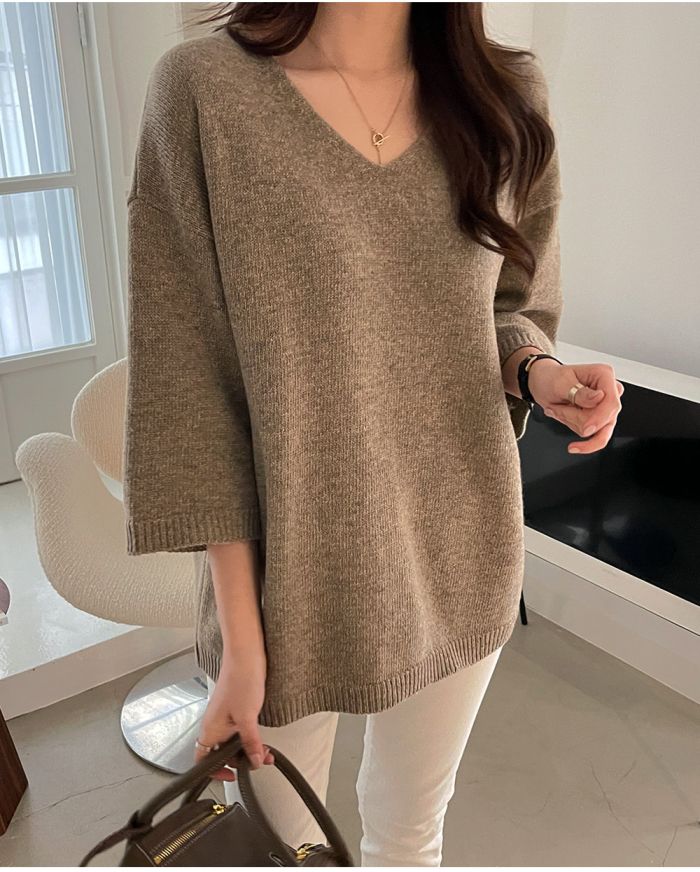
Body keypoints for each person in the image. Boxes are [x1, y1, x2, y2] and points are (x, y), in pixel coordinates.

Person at [123, 2, 623, 865]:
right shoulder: (204, 91)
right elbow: (190, 382)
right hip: (288, 580)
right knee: (280, 849)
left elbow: (511, 307)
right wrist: (239, 639)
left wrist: (539, 371)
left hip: (461, 551)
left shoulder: (505, 95)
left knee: (409, 834)